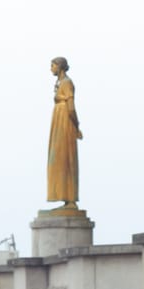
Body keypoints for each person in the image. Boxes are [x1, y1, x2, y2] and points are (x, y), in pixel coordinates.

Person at [46, 56, 82, 209]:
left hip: (65, 122)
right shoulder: (61, 83)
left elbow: (71, 107)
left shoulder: (67, 83)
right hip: (59, 122)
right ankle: (64, 197)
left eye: (52, 65)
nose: (51, 68)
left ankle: (70, 198)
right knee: (58, 159)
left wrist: (76, 125)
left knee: (66, 158)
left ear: (59, 67)